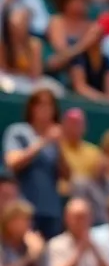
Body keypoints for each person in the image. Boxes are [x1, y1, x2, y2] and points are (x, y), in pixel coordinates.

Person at [3, 89, 65, 238]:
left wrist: (60, 147)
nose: (45, 109)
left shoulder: (56, 140)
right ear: (31, 107)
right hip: (23, 209)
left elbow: (65, 176)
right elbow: (12, 162)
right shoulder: (18, 131)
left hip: (51, 211)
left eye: (49, 105)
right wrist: (44, 141)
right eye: (40, 104)